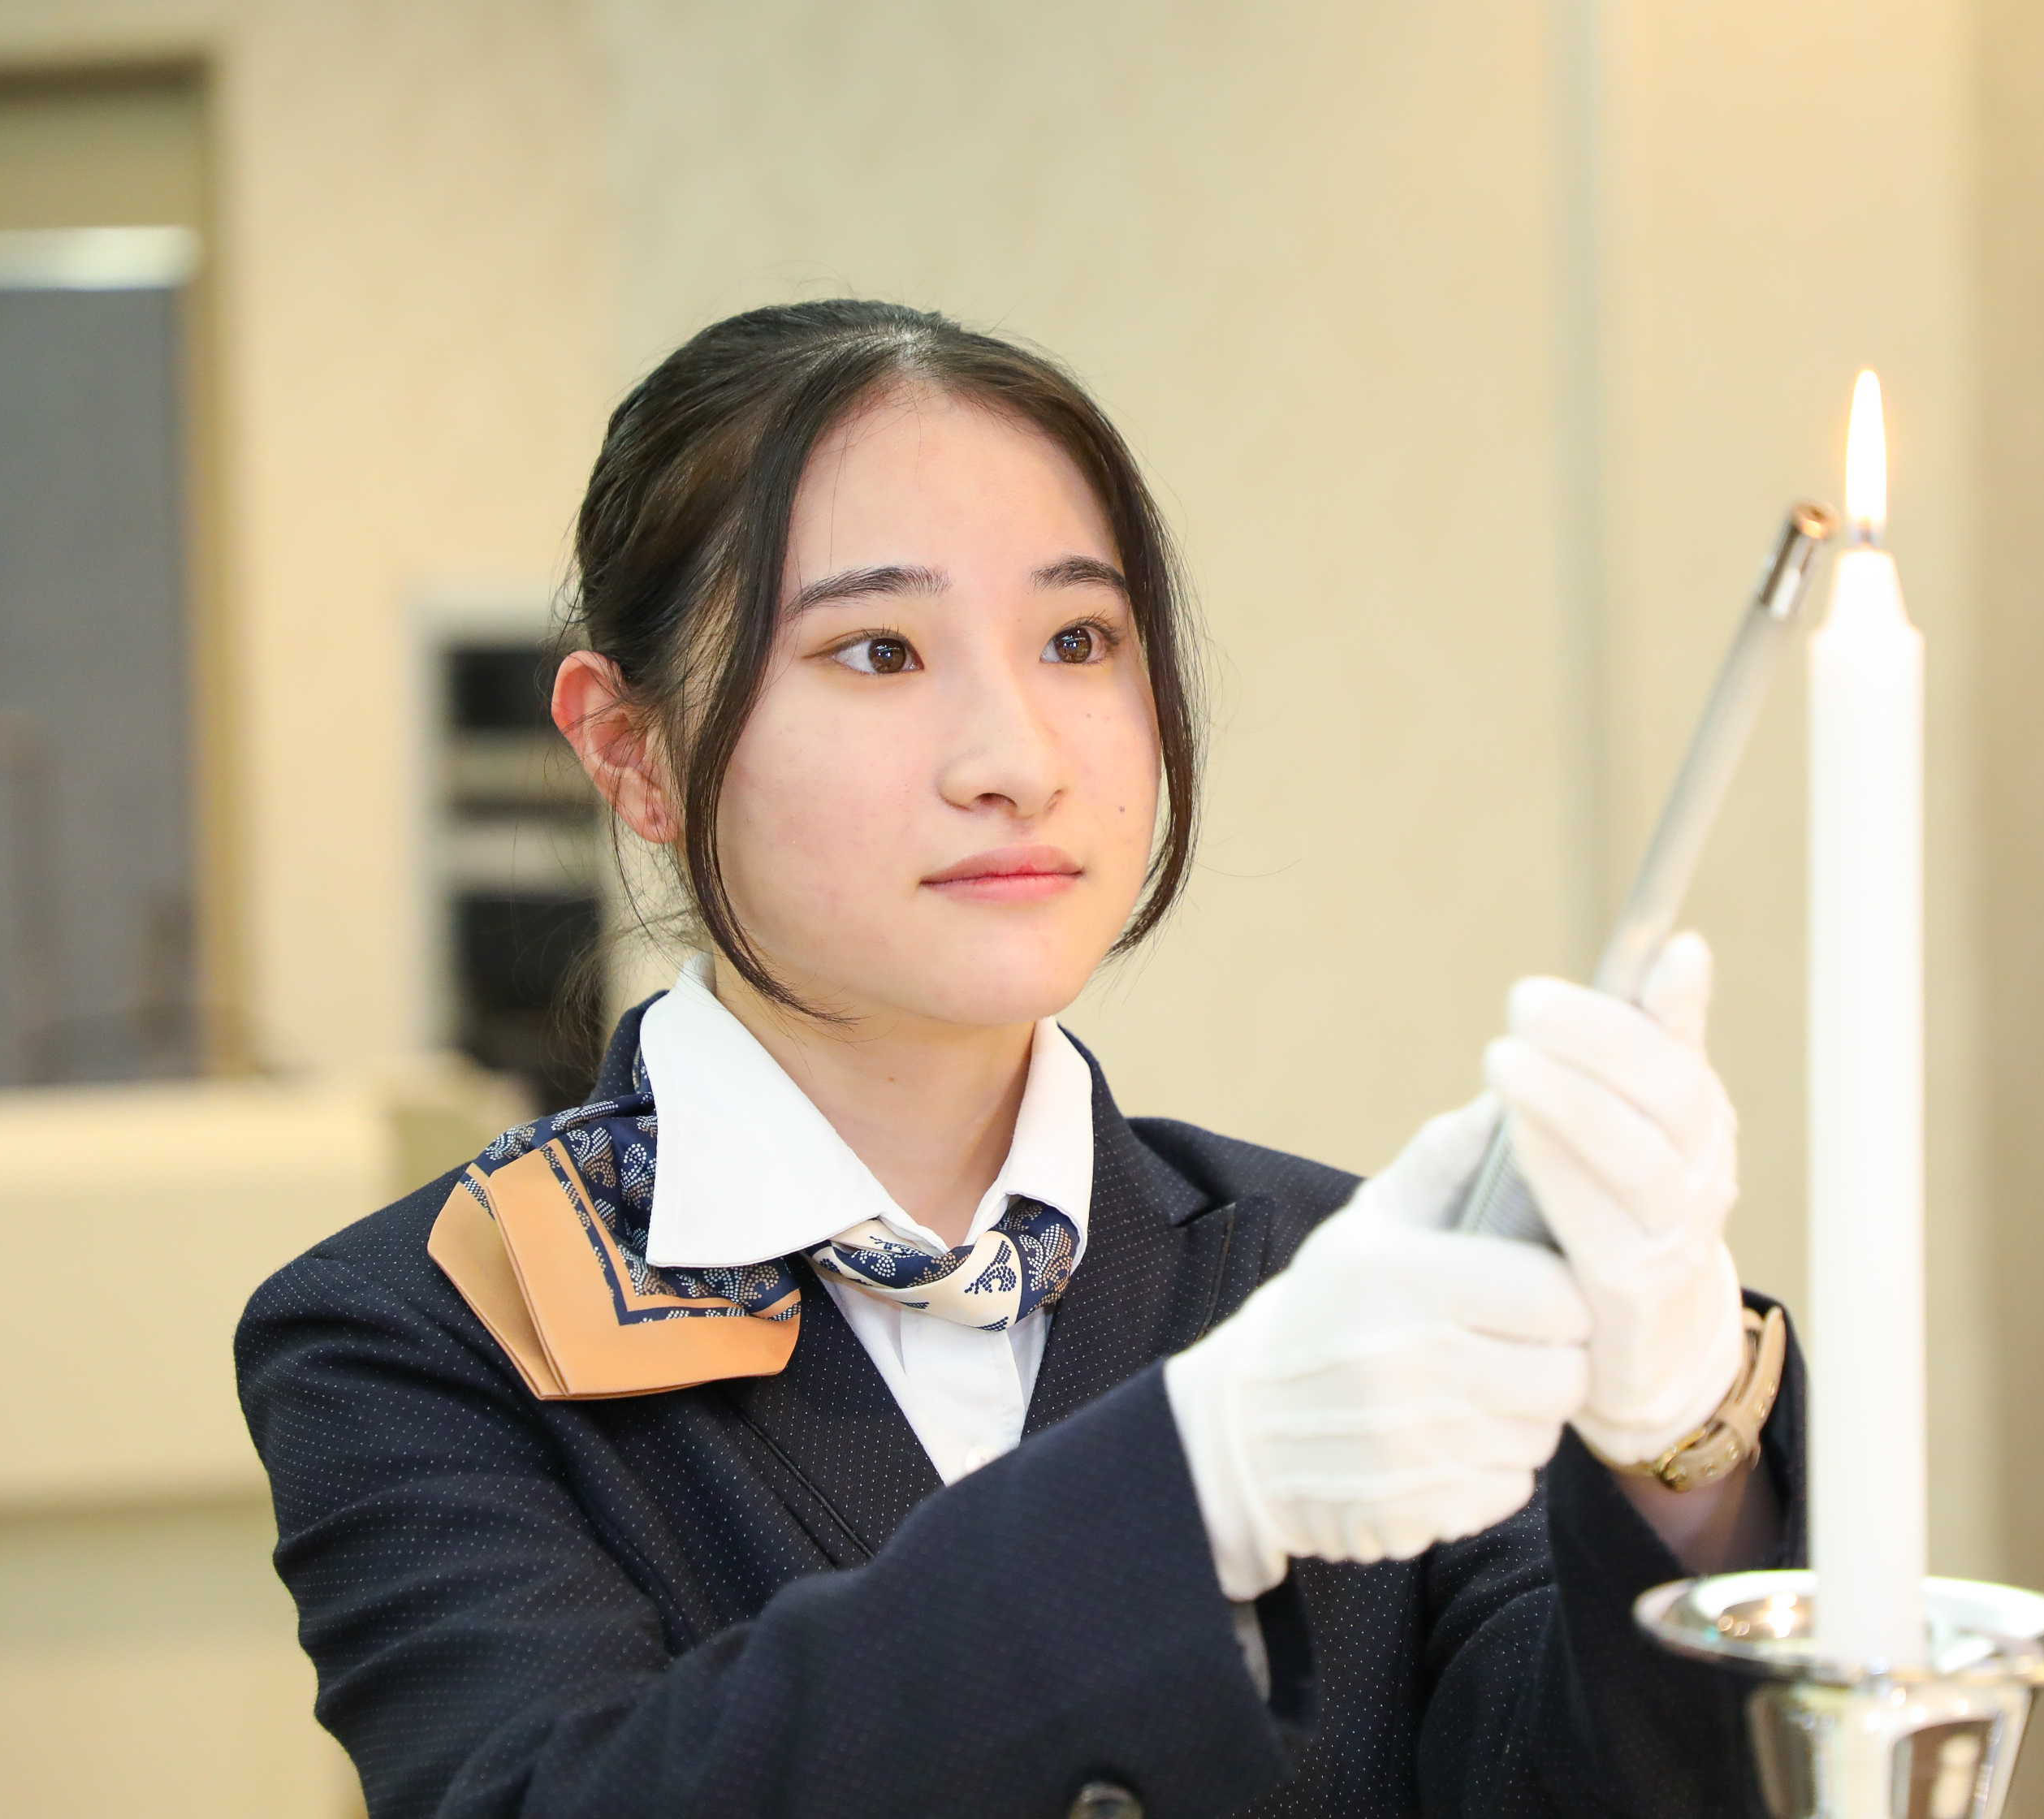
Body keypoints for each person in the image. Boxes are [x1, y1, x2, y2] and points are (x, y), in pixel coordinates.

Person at [236, 300, 1801, 1819]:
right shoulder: (418, 1337)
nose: (1018, 762)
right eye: (877, 651)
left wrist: (1681, 1456)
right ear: (630, 751)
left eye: (1076, 638)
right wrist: (1193, 1487)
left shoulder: (1329, 1280)